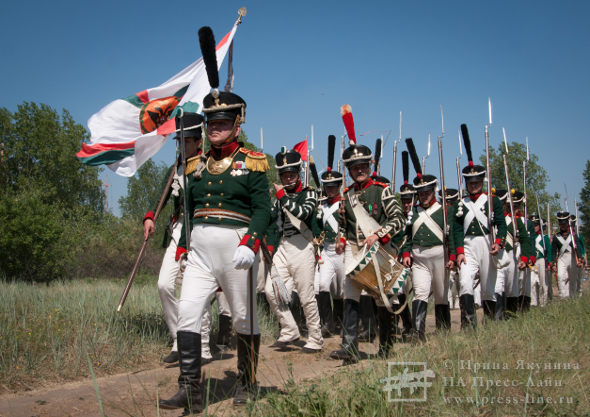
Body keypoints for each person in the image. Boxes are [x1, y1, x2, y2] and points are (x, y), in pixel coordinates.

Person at [158, 29, 271, 411]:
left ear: (238, 124)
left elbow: (262, 209)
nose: (214, 129)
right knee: (188, 314)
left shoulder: (253, 161)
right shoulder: (193, 166)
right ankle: (190, 388)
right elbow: (187, 211)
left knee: (243, 319)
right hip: (201, 253)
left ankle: (247, 382)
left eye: (222, 123)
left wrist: (251, 243)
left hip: (237, 248)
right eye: (210, 123)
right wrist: (185, 247)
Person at [329, 105, 405, 361]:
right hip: (354, 251)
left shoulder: (382, 190)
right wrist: (340, 240)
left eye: (363, 166)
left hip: (380, 252)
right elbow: (343, 225)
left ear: (369, 166)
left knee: (383, 301)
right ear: (349, 170)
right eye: (355, 167)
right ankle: (350, 347)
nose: (359, 170)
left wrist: (380, 235)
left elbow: (399, 220)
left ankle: (386, 347)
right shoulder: (346, 196)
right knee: (349, 295)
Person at [142, 112, 209, 364]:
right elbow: (161, 193)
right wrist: (150, 217)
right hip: (179, 229)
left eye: (186, 141)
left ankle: (200, 343)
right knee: (164, 285)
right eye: (180, 141)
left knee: (196, 289)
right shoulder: (177, 168)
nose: (182, 146)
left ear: (197, 141)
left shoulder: (207, 163)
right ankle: (179, 338)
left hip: (201, 228)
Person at [264, 147, 324, 353]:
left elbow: (303, 212)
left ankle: (316, 337)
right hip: (282, 247)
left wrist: (282, 195)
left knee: (307, 295)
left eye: (291, 175)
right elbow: (272, 224)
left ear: (298, 174)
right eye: (284, 175)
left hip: (302, 245)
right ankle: (289, 329)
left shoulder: (309, 193)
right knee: (271, 290)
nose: (288, 179)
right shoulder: (278, 198)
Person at [453, 124, 507, 328]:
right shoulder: (461, 203)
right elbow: (457, 229)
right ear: (466, 183)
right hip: (468, 246)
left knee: (488, 287)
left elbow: (502, 225)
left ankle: (492, 323)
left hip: (487, 244)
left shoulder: (492, 201)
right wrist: (459, 251)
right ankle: (468, 324)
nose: (473, 185)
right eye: (470, 182)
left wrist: (499, 242)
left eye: (476, 182)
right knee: (466, 282)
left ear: (482, 182)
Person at [400, 138, 452, 341]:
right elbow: (406, 235)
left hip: (440, 255)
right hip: (419, 258)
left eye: (427, 192)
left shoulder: (444, 211)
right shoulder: (412, 212)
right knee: (420, 292)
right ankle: (417, 332)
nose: (423, 196)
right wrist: (405, 252)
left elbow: (452, 235)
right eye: (420, 193)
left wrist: (454, 254)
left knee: (440, 294)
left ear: (434, 192)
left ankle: (444, 329)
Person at [315, 135, 345, 337]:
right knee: (322, 285)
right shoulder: (321, 205)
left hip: (342, 250)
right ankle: (327, 322)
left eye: (334, 186)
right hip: (326, 249)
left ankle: (342, 323)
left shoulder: (345, 203)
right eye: (328, 186)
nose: (331, 188)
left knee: (342, 291)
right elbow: (317, 228)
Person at [552, 212, 584, 298]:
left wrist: (580, 258)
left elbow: (578, 248)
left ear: (567, 223)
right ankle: (562, 297)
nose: (562, 225)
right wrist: (553, 263)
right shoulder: (556, 237)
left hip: (572, 257)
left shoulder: (573, 236)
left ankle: (572, 297)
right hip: (562, 258)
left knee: (572, 279)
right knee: (560, 277)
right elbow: (554, 251)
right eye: (561, 223)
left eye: (564, 223)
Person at [529, 213, 552, 307]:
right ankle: (533, 302)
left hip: (542, 261)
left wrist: (549, 262)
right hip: (533, 262)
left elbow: (549, 251)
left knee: (543, 283)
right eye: (533, 225)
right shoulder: (529, 237)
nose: (535, 227)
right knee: (532, 282)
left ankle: (543, 303)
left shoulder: (545, 238)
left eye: (536, 225)